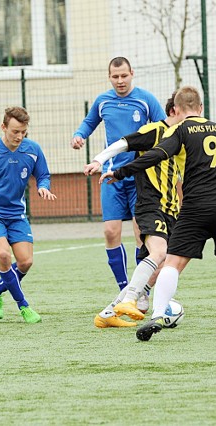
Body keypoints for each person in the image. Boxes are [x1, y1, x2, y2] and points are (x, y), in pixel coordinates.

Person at [102, 86, 216, 341]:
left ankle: (157, 315)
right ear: (200, 108)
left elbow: (156, 155)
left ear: (177, 110)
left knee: (172, 262)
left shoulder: (180, 130)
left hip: (196, 206)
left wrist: (121, 172)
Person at [71, 57, 166, 322]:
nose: (120, 81)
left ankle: (139, 294)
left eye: (124, 76)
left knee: (140, 233)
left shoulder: (146, 99)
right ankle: (125, 290)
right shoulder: (103, 101)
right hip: (111, 176)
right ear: (109, 77)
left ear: (132, 74)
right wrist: (80, 135)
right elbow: (89, 123)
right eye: (115, 77)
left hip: (140, 177)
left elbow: (163, 130)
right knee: (110, 231)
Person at [83, 91, 184, 328]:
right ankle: (129, 299)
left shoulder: (182, 138)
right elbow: (123, 143)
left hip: (172, 209)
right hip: (151, 204)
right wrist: (99, 160)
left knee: (166, 264)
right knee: (158, 253)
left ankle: (108, 314)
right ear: (174, 112)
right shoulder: (154, 131)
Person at [0, 106, 56, 323]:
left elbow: (43, 174)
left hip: (17, 214)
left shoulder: (33, 149)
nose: (19, 136)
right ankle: (24, 306)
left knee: (25, 262)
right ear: (3, 127)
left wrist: (44, 186)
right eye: (15, 131)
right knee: (4, 256)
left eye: (23, 132)